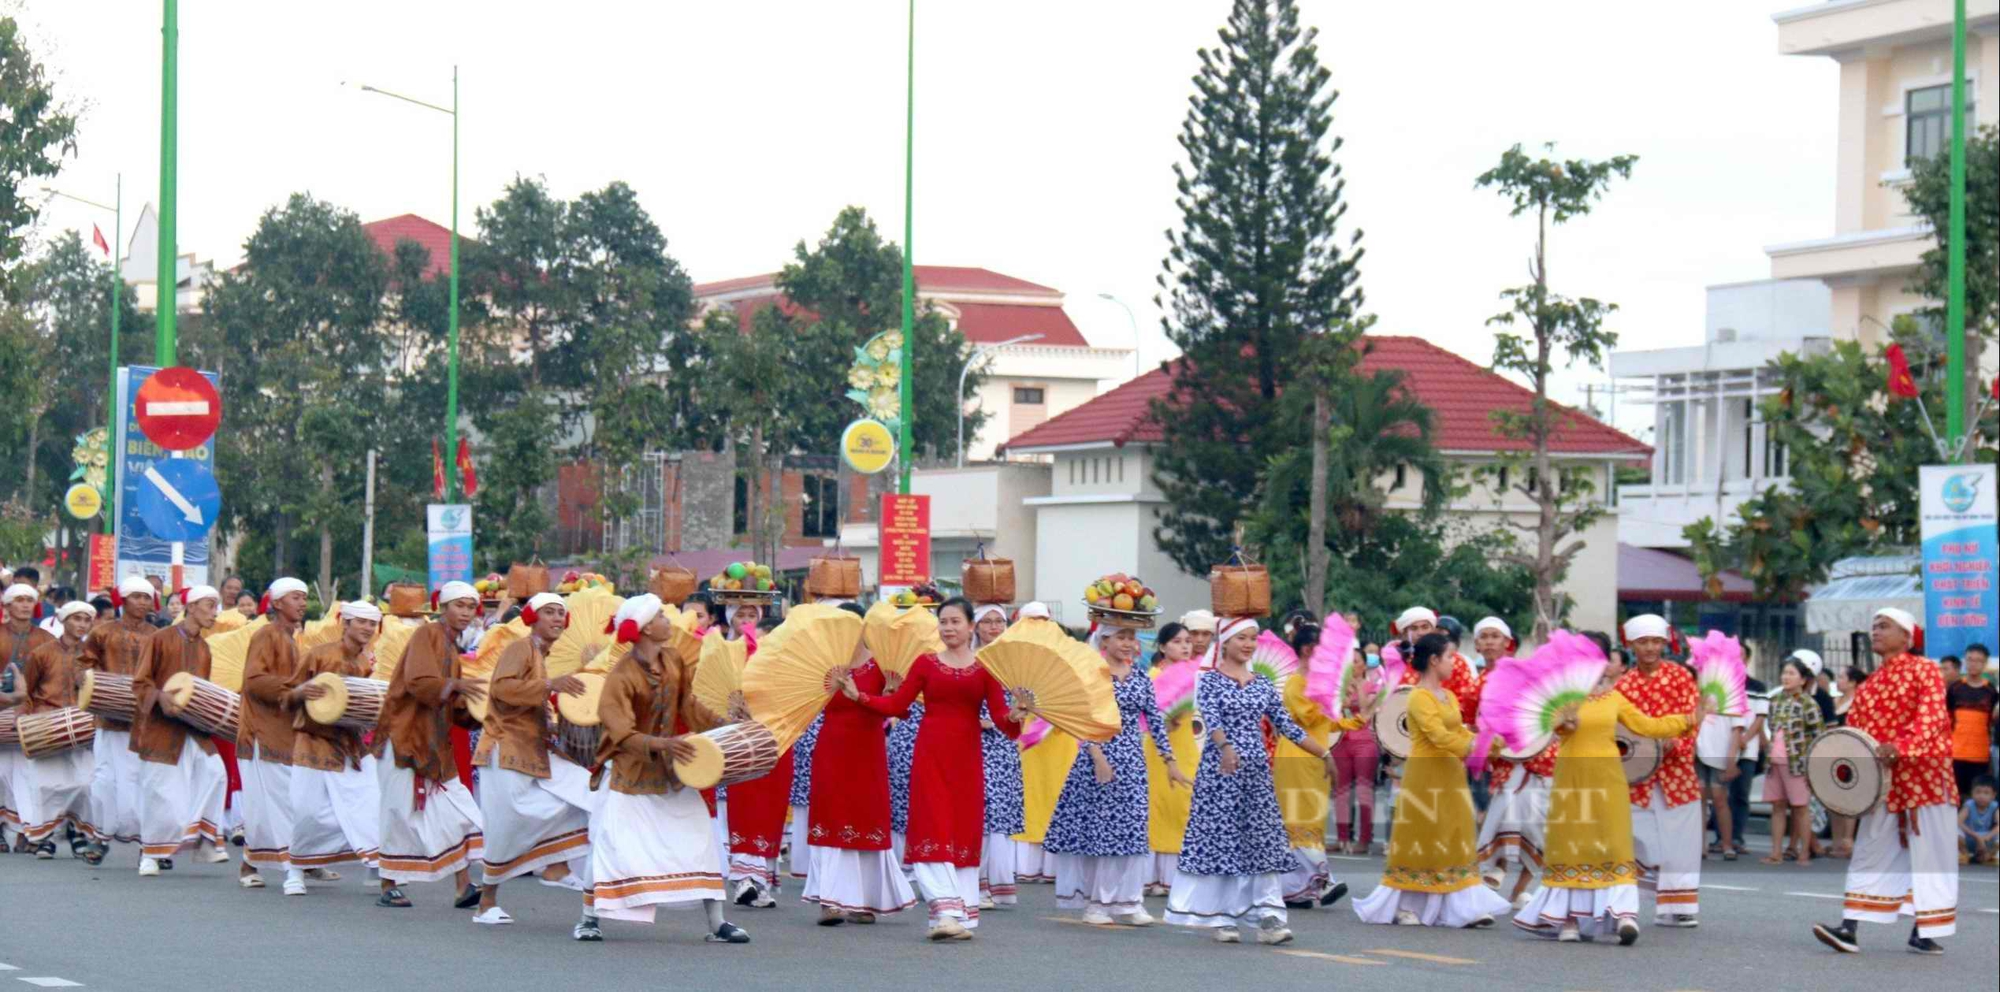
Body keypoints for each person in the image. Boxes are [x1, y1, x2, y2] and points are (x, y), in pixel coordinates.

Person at [842, 597, 1028, 941]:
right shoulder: (925, 664)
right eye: (943, 622)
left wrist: (1017, 713)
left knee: (961, 830)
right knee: (932, 827)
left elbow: (1004, 721)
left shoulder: (987, 669)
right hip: (930, 756)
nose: (949, 628)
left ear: (971, 626)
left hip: (967, 759)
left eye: (956, 621)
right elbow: (897, 705)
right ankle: (945, 912)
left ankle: (960, 912)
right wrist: (860, 697)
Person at [1169, 617, 1363, 945]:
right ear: (1225, 643)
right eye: (1241, 638)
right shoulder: (1210, 681)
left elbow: (1288, 725)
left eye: (1252, 638)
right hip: (1221, 774)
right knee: (1225, 845)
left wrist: (1323, 754)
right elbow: (1211, 719)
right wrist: (1226, 748)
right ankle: (1222, 916)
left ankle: (1270, 915)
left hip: (1258, 775)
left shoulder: (1261, 684)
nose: (1248, 644)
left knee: (1265, 843)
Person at [1511, 645, 1703, 945]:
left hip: (1609, 781)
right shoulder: (1561, 701)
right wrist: (1562, 722)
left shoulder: (1615, 698)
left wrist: (1689, 719)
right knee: (1572, 846)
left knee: (1614, 845)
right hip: (1572, 781)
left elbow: (1647, 726)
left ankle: (1625, 915)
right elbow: (1536, 731)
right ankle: (1569, 920)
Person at [587, 593, 747, 943]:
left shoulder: (674, 660)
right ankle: (588, 919)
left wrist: (727, 726)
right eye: (660, 615)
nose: (667, 620)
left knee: (701, 840)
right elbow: (619, 731)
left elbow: (689, 707)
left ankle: (718, 922)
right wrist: (662, 744)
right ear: (644, 629)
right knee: (611, 845)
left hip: (673, 768)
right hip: (630, 774)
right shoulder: (621, 675)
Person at [1813, 607, 1959, 956]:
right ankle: (1849, 927)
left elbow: (1932, 717)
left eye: (1884, 626)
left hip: (1927, 780)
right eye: (1874, 626)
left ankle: (1923, 932)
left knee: (1930, 858)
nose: (1876, 631)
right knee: (1869, 852)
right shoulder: (1870, 685)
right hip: (1885, 785)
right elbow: (1855, 738)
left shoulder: (1924, 669)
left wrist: (1903, 747)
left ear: (1907, 637)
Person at [1354, 632, 1512, 929]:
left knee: (1455, 836)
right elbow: (1438, 736)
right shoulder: (1417, 697)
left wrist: (1492, 743)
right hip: (1424, 777)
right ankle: (1406, 905)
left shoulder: (1449, 695)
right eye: (1450, 656)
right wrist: (1474, 747)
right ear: (1435, 660)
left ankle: (1461, 905)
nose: (1455, 662)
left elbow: (1461, 732)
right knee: (1421, 838)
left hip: (1451, 775)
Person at [460, 592, 596, 926]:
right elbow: (503, 689)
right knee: (507, 827)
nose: (557, 619)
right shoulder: (520, 648)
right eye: (549, 612)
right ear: (533, 617)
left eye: (561, 613)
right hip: (503, 749)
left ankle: (555, 865)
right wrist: (549, 685)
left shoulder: (539, 653)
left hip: (529, 751)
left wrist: (548, 718)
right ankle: (486, 905)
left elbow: (523, 694)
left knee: (586, 792)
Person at [1044, 619, 1187, 926]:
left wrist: (1170, 761)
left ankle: (1128, 901)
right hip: (1097, 762)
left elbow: (1154, 721)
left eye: (1131, 637)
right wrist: (1097, 757)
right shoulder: (1092, 676)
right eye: (1120, 637)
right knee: (1102, 835)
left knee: (1132, 833)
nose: (1127, 643)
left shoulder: (1140, 678)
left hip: (1132, 764)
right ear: (1104, 641)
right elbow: (1082, 720)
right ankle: (1097, 903)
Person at [802, 600, 916, 925]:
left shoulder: (884, 664)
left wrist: (891, 692)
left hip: (868, 750)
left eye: (853, 623)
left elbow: (901, 710)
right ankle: (830, 900)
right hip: (831, 748)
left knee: (866, 817)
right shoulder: (822, 664)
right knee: (831, 816)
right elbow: (800, 705)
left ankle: (864, 900)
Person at [376, 580, 487, 910]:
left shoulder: (451, 646)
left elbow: (450, 704)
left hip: (434, 744)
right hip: (404, 737)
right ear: (443, 607)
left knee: (460, 810)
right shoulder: (428, 635)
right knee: (398, 813)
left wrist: (478, 714)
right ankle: (388, 884)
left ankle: (463, 886)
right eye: (459, 606)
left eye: (471, 607)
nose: (466, 613)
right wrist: (457, 685)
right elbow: (419, 682)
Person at [128, 585, 231, 875]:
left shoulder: (205, 648)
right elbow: (140, 683)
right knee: (161, 793)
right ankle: (149, 853)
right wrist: (159, 696)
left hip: (193, 730)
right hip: (160, 729)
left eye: (216, 606)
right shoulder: (160, 639)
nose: (214, 613)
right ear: (192, 606)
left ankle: (206, 842)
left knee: (215, 773)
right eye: (210, 606)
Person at [285, 601, 386, 894]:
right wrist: (300, 692)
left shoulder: (367, 662)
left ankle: (378, 864)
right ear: (346, 623)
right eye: (362, 622)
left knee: (369, 803)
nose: (367, 628)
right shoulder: (317, 655)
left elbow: (363, 705)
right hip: (313, 740)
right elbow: (287, 696)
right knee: (307, 812)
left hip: (349, 744)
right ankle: (295, 870)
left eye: (372, 623)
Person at [1616, 614, 1703, 927]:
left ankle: (1680, 907)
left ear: (1665, 644)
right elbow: (1618, 732)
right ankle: (1628, 904)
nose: (1650, 648)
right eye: (1643, 642)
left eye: (1655, 641)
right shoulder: (1622, 685)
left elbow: (1693, 718)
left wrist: (1676, 745)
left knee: (1682, 839)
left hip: (1676, 774)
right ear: (1632, 645)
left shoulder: (1681, 677)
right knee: (1637, 839)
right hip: (1636, 777)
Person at [1471, 617, 1553, 909]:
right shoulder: (1478, 682)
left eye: (1495, 636)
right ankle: (1498, 871)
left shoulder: (1525, 672)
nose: (1490, 641)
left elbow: (1544, 712)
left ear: (1508, 642)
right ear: (1478, 645)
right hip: (1503, 762)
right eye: (1485, 636)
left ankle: (1516, 887)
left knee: (1538, 827)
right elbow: (1470, 723)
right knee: (1509, 817)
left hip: (1540, 759)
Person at [237, 578, 311, 890]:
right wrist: (296, 689)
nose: (303, 603)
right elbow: (254, 681)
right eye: (296, 597)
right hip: (262, 730)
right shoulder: (266, 635)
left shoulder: (297, 639)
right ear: (278, 602)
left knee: (276, 805)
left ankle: (250, 863)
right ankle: (291, 870)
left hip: (288, 730)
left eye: (305, 598)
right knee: (276, 804)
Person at [79, 575, 159, 857]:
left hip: (144, 721)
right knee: (104, 780)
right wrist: (95, 687)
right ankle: (100, 837)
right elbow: (85, 668)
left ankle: (148, 845)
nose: (142, 602)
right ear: (123, 600)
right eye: (136, 596)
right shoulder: (101, 633)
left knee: (142, 781)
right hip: (108, 721)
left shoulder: (156, 635)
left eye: (146, 597)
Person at [721, 599, 793, 909]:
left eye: (753, 615)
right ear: (729, 619)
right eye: (741, 615)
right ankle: (744, 878)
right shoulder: (720, 656)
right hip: (739, 742)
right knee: (743, 806)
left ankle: (760, 879)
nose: (747, 621)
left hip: (776, 740)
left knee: (770, 808)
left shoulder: (783, 661)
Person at [1273, 617, 1348, 909]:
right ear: (1306, 650)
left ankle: (1296, 889)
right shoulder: (1295, 683)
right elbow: (1308, 718)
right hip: (1296, 756)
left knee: (1310, 821)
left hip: (1316, 758)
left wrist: (1361, 712)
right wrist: (1329, 695)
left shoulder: (1318, 683)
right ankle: (1324, 878)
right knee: (1299, 818)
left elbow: (1329, 723)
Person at [16, 600, 100, 858]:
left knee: (86, 784)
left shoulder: (93, 657)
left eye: (86, 620)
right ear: (64, 621)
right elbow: (27, 692)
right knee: (46, 786)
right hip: (45, 726)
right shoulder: (42, 653)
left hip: (81, 727)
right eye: (77, 619)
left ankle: (76, 832)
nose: (81, 624)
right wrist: (27, 724)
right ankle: (45, 838)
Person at [972, 603, 1024, 909]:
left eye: (999, 622)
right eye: (987, 622)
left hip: (1004, 744)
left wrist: (1020, 711)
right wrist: (978, 720)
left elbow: (1021, 703)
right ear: (975, 626)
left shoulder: (1014, 663)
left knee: (1000, 814)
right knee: (981, 811)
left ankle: (996, 884)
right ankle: (975, 883)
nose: (994, 627)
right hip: (974, 743)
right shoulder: (970, 660)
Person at [1144, 621, 1198, 896]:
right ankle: (1150, 877)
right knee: (1157, 806)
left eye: (1187, 640)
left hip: (1187, 748)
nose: (1185, 645)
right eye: (1177, 641)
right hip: (1157, 752)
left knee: (1181, 805)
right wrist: (1165, 724)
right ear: (1163, 647)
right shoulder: (1152, 676)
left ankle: (1171, 877)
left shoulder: (1195, 675)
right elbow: (1144, 721)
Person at [1761, 658, 1823, 867]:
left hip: (1797, 763)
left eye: (1791, 673)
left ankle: (1804, 852)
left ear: (1803, 679)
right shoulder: (1776, 700)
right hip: (1775, 761)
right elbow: (1771, 726)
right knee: (1777, 807)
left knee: (1800, 808)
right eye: (1785, 673)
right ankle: (1776, 852)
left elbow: (1818, 735)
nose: (1786, 677)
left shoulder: (1808, 703)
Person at [1329, 640, 1383, 855]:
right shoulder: (1337, 686)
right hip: (1341, 741)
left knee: (1363, 791)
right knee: (1340, 791)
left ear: (1363, 665)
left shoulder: (1373, 685)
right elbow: (1330, 711)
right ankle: (1342, 838)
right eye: (1348, 662)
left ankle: (1364, 838)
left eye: (1356, 661)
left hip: (1365, 742)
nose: (1352, 665)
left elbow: (1363, 708)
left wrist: (1358, 684)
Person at [1826, 664, 1868, 859]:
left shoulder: (1859, 702)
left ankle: (1847, 840)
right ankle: (1836, 840)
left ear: (1852, 682)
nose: (1839, 680)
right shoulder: (1836, 701)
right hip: (1834, 753)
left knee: (1849, 799)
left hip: (1851, 753)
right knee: (1833, 799)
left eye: (1842, 677)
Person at [1946, 643, 1996, 801]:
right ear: (1965, 661)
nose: (1973, 664)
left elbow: (1993, 721)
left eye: (1978, 660)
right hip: (1956, 753)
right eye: (1970, 659)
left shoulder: (1991, 691)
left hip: (1980, 755)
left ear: (1985, 663)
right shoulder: (1954, 689)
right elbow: (1946, 719)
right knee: (1954, 798)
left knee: (1977, 800)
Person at [1961, 776, 1997, 866]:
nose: (1981, 796)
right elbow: (1958, 822)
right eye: (1978, 792)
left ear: (1993, 795)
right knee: (1955, 830)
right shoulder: (1969, 805)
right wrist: (1977, 837)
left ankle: (1989, 855)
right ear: (1972, 793)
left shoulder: (1994, 806)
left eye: (1986, 793)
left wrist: (1987, 837)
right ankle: (1964, 854)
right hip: (1969, 837)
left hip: (1986, 839)